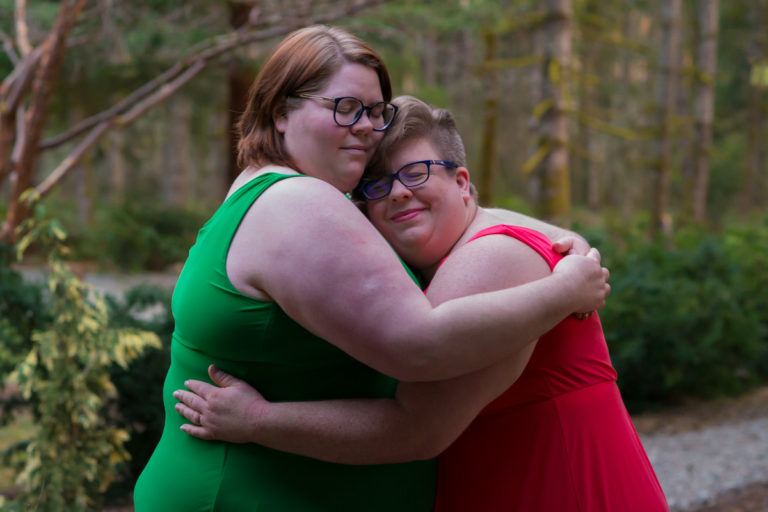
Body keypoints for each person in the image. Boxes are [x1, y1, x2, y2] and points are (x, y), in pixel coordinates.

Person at [133, 25, 609, 511]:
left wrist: (553, 244)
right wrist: (565, 291)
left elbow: (467, 221)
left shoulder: (271, 190)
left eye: (375, 111)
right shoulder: (299, 202)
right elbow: (419, 345)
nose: (366, 125)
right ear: (280, 111)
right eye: (345, 107)